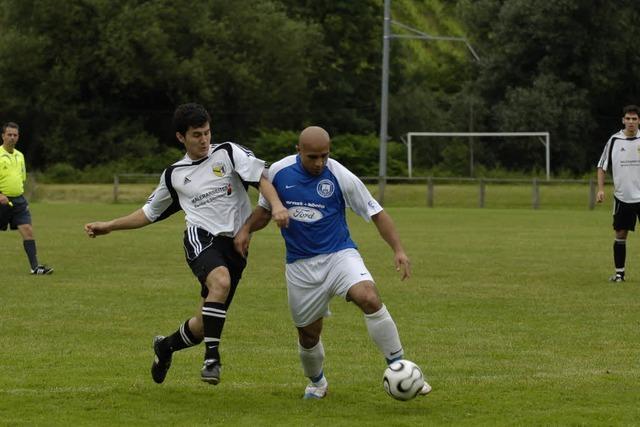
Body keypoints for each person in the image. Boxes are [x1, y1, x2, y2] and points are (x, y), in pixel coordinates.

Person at [84, 103, 289, 385]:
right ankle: (212, 359)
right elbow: (148, 213)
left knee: (203, 324)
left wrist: (275, 206)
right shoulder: (174, 175)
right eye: (196, 135)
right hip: (200, 238)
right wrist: (109, 225)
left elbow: (261, 179)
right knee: (220, 281)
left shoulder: (228, 152)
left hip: (236, 248)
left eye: (206, 133)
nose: (204, 140)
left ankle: (164, 347)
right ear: (181, 137)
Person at [234, 126, 431, 399]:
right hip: (300, 266)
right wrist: (245, 230)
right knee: (308, 336)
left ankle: (401, 368)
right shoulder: (278, 172)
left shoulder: (339, 175)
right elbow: (265, 212)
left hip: (340, 255)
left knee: (369, 297)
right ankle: (317, 383)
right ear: (298, 151)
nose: (319, 163)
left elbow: (376, 212)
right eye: (312, 157)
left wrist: (398, 249)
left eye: (324, 156)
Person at [0, 122, 53, 275]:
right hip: (2, 201)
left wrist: (22, 199)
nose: (12, 137)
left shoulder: (20, 156)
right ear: (3, 136)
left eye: (15, 135)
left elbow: (21, 179)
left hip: (18, 201)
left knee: (28, 230)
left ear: (18, 137)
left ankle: (35, 267)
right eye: (9, 134)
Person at [597, 104, 640, 282]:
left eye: (634, 119)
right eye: (628, 119)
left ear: (639, 121)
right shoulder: (614, 140)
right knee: (620, 234)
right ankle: (619, 274)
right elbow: (601, 165)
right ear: (623, 120)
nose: (631, 122)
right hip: (622, 197)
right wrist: (600, 189)